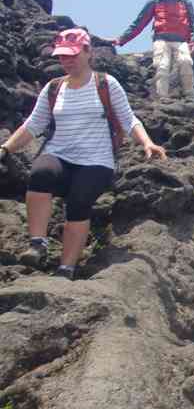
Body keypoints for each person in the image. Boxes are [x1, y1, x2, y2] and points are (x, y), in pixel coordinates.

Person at [0, 28, 167, 280]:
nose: (66, 61)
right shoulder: (53, 88)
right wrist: (5, 148)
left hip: (96, 160)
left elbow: (128, 119)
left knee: (79, 201)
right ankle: (38, 245)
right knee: (40, 174)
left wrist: (147, 143)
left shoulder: (106, 84)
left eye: (72, 55)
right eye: (62, 56)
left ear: (88, 52)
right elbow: (32, 126)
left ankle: (66, 268)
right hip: (59, 153)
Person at [113, 0, 194, 101]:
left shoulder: (185, 3)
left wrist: (193, 41)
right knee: (162, 65)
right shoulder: (154, 2)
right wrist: (122, 39)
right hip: (161, 39)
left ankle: (190, 95)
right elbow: (139, 23)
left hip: (181, 40)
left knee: (185, 62)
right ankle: (162, 96)